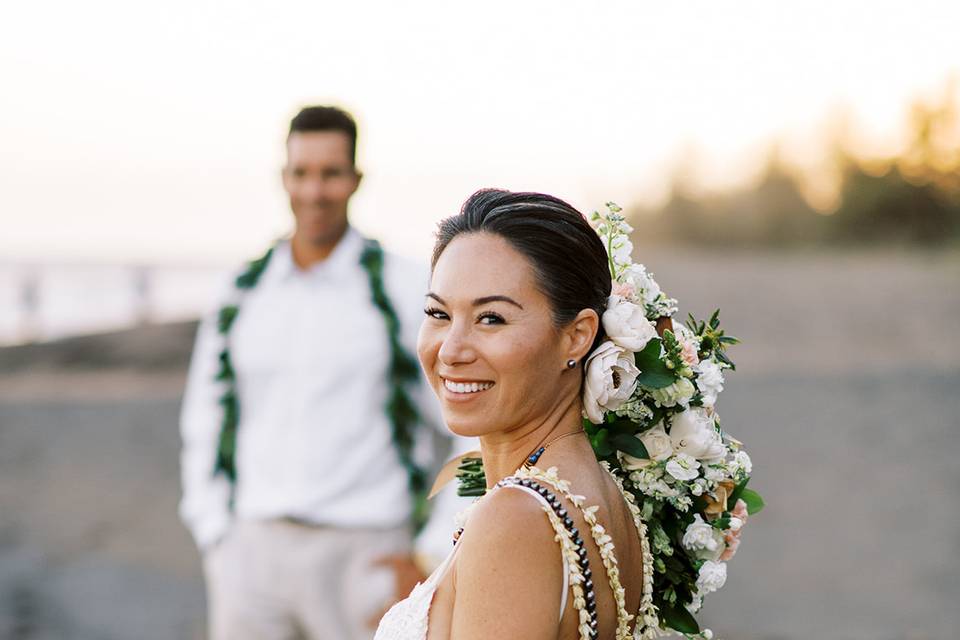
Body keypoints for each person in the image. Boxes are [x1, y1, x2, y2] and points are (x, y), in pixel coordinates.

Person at [179, 105, 468, 640]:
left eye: (330, 173)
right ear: (283, 178)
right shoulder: (240, 293)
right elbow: (203, 416)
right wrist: (215, 534)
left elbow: (466, 425)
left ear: (355, 180)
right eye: (301, 173)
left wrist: (430, 556)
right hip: (252, 555)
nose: (314, 191)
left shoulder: (408, 289)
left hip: (367, 553)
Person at [375, 189, 649, 640]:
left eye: (491, 319)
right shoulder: (607, 496)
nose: (451, 349)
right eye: (437, 313)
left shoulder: (515, 518)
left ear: (578, 336)